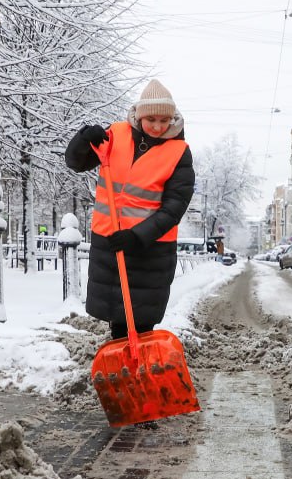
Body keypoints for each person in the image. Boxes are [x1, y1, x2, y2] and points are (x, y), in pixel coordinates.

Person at [64, 79, 195, 341]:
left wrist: (137, 236)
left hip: (150, 250)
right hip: (110, 242)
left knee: (141, 321)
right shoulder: (116, 135)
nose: (158, 127)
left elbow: (174, 207)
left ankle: (139, 366)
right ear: (139, 116)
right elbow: (75, 162)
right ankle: (121, 364)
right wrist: (83, 139)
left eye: (164, 120)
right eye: (152, 119)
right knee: (117, 319)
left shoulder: (179, 152)